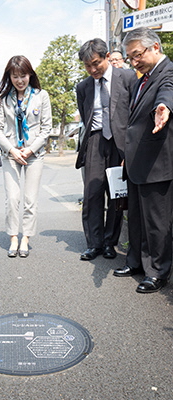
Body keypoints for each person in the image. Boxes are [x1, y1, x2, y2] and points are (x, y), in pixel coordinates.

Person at [113, 27, 173, 293]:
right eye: (130, 57)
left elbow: (167, 94)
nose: (133, 62)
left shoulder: (168, 72)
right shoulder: (141, 80)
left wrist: (165, 107)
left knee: (156, 222)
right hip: (137, 161)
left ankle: (157, 271)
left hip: (157, 162)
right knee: (135, 218)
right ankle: (135, 261)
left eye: (137, 55)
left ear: (155, 47)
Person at [76, 38, 137, 261]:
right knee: (92, 194)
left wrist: (129, 150)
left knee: (116, 195)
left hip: (121, 143)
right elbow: (85, 116)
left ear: (107, 57)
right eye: (87, 66)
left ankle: (110, 242)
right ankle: (94, 244)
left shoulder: (128, 78)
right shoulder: (83, 87)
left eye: (96, 63)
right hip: (95, 140)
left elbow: (134, 114)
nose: (92, 69)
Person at [0, 55, 52, 258]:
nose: (20, 80)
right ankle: (13, 237)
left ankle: (25, 237)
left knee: (30, 199)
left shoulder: (41, 96)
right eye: (15, 76)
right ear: (9, 77)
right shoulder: (3, 99)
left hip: (34, 154)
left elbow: (46, 129)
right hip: (10, 153)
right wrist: (12, 150)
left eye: (23, 75)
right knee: (12, 198)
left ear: (30, 75)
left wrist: (30, 149)